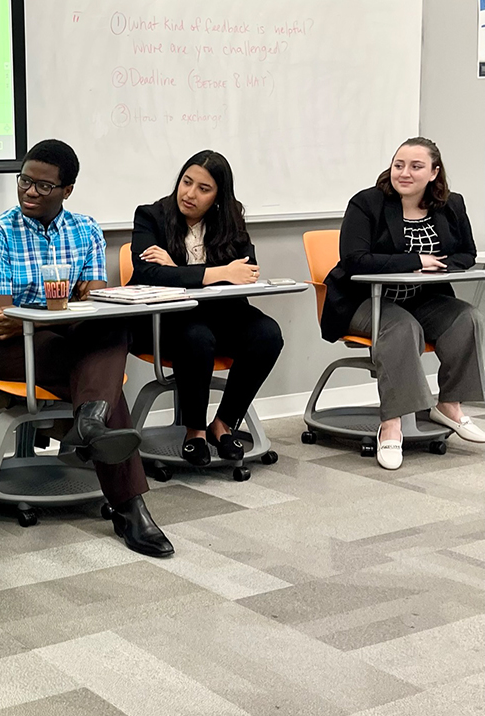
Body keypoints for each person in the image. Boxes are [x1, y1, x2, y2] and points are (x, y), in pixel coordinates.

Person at [0, 138, 173, 558]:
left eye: (43, 186)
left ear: (67, 190)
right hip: (8, 349)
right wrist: (65, 304)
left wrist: (68, 304)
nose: (29, 191)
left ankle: (91, 420)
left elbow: (97, 302)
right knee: (100, 375)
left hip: (67, 340)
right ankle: (129, 507)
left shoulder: (85, 229)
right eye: (24, 181)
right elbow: (1, 319)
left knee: (114, 327)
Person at [321, 137, 485, 470]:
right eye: (399, 165)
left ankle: (449, 405)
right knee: (402, 327)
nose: (404, 173)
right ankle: (391, 423)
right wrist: (415, 261)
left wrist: (440, 268)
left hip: (422, 299)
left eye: (415, 166)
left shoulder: (451, 205)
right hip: (362, 302)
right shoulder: (367, 203)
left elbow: (466, 253)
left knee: (468, 318)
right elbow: (354, 260)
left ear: (434, 173)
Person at [130, 150, 284, 466]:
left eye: (203, 188)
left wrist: (178, 270)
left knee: (268, 333)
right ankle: (195, 431)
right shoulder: (151, 217)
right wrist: (218, 273)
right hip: (166, 321)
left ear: (218, 196)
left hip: (221, 315)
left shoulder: (230, 221)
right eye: (187, 182)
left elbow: (246, 273)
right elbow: (148, 273)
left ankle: (223, 424)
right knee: (196, 337)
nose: (190, 194)